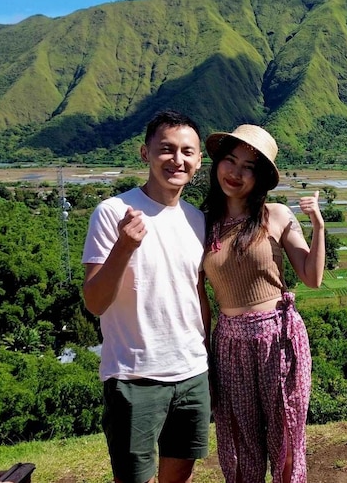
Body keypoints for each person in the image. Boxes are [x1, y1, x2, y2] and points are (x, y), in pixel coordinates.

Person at [81, 110, 211, 483]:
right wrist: (124, 246)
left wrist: (208, 358)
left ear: (199, 160)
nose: (177, 159)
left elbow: (197, 293)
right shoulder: (113, 212)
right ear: (145, 153)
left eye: (187, 151)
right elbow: (94, 301)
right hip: (134, 375)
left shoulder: (196, 219)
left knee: (179, 475)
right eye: (166, 149)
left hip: (191, 372)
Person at [200, 124, 324, 483]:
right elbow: (199, 300)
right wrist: (204, 356)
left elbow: (311, 277)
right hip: (228, 343)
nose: (236, 173)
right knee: (240, 446)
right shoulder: (203, 224)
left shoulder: (277, 215)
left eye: (249, 167)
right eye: (230, 160)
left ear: (262, 177)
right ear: (218, 164)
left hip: (278, 338)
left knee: (285, 439)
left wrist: (318, 224)